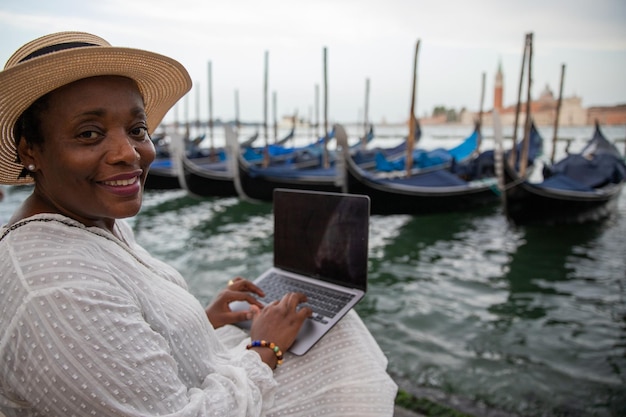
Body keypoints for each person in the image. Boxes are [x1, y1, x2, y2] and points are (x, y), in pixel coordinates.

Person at [0, 32, 397, 416]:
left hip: (197, 373)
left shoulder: (90, 220)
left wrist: (199, 322)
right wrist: (265, 347)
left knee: (326, 324)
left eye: (138, 130)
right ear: (30, 149)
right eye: (89, 133)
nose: (129, 153)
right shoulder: (56, 289)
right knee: (337, 340)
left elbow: (115, 342)